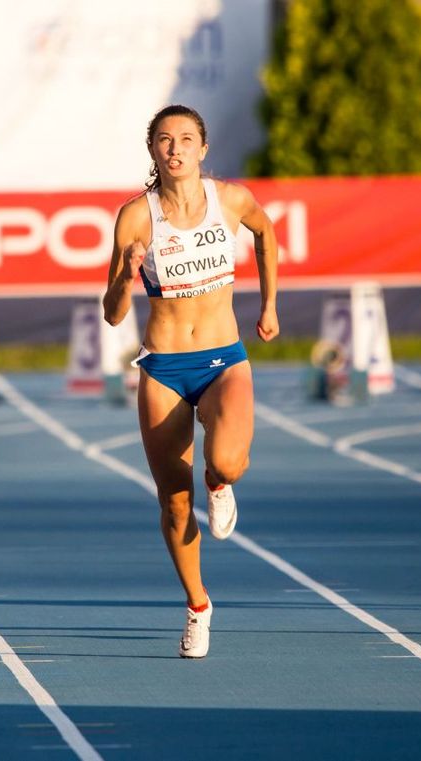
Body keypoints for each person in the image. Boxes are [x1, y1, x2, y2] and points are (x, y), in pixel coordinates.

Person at [103, 104, 279, 657]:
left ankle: (221, 484)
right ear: (152, 151)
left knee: (224, 462)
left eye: (185, 139)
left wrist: (270, 304)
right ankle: (198, 606)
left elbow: (266, 232)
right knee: (174, 502)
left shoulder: (229, 200)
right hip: (163, 366)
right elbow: (111, 313)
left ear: (203, 148)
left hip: (224, 358)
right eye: (163, 140)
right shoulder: (136, 217)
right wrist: (127, 278)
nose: (174, 148)